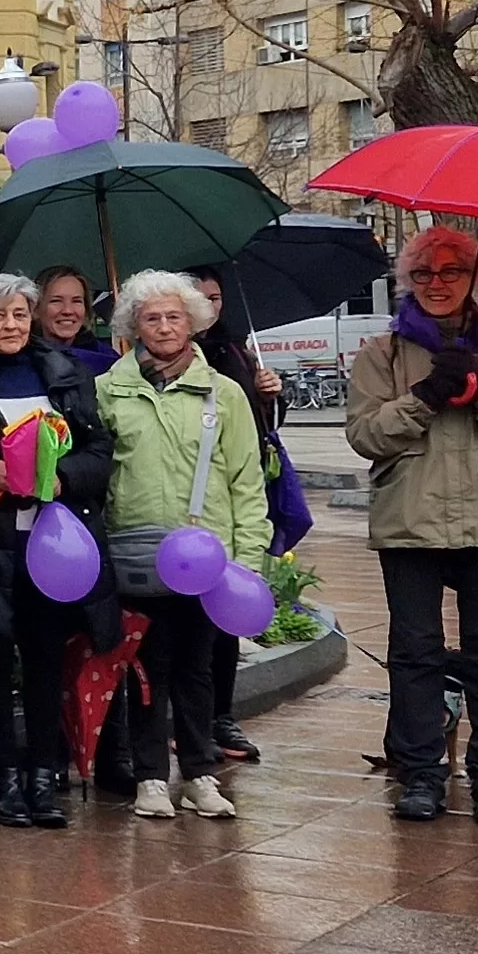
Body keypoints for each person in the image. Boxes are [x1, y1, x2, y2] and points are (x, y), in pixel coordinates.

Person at [346, 227, 478, 827]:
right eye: (425, 274)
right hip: (410, 520)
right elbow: (365, 435)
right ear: (408, 281)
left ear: (472, 281)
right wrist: (426, 397)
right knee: (415, 653)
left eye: (452, 272)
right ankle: (421, 774)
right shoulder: (381, 353)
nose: (438, 284)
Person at [0, 273, 113, 828]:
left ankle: (42, 778)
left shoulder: (63, 372)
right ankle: (4, 779)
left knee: (43, 661)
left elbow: (99, 450)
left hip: (52, 545)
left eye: (18, 315)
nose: (10, 326)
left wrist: (65, 480)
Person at [97, 270, 272, 822]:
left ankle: (200, 772)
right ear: (134, 327)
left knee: (199, 668)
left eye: (175, 316)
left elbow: (247, 480)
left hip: (207, 556)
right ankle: (150, 775)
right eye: (152, 318)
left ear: (193, 322)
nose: (165, 327)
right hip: (137, 550)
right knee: (146, 670)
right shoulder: (109, 390)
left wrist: (249, 561)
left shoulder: (225, 393)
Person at [182, 266, 287, 766]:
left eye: (216, 296)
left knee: (222, 621)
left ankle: (220, 716)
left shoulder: (233, 352)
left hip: (228, 498)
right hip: (178, 508)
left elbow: (255, 433)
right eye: (199, 296)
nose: (210, 305)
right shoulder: (148, 360)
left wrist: (270, 396)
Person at [36, 266, 121, 372]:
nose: (68, 310)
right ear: (36, 308)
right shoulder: (21, 361)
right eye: (56, 301)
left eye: (76, 301)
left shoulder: (110, 362)